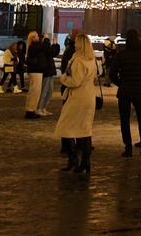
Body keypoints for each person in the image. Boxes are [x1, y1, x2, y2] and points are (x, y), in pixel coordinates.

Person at [55, 31, 97, 174]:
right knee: (85, 128)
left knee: (66, 126)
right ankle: (85, 161)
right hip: (88, 95)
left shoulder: (79, 60)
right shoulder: (91, 59)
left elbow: (75, 81)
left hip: (78, 97)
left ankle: (74, 159)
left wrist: (63, 79)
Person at [111, 29, 141, 156]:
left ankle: (128, 147)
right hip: (140, 91)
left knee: (125, 120)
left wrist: (121, 83)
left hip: (125, 91)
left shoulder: (121, 54)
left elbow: (112, 73)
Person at [23, 31, 49, 118]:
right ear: (32, 38)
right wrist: (46, 39)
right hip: (35, 71)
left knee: (35, 91)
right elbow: (43, 47)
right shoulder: (33, 47)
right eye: (37, 36)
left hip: (36, 70)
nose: (38, 37)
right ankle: (30, 111)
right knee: (34, 91)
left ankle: (31, 110)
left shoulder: (33, 46)